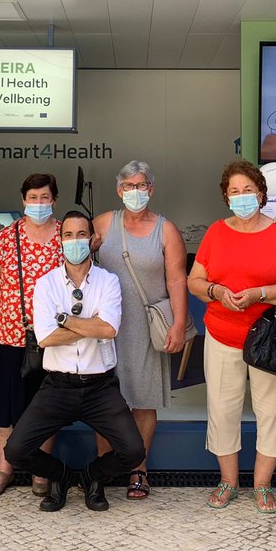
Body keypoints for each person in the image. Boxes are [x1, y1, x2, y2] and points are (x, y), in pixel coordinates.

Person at [3, 210, 145, 512]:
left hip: (100, 387)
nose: (74, 241)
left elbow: (109, 328)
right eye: (68, 235)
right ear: (60, 241)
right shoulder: (46, 284)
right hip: (57, 385)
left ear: (92, 239)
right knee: (15, 450)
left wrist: (64, 319)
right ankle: (62, 477)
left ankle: (93, 477)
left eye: (81, 234)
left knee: (133, 452)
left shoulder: (108, 281)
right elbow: (45, 337)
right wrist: (89, 325)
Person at [186, 159, 276, 514]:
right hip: (223, 335)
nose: (242, 197)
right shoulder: (216, 233)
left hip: (271, 338)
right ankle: (228, 481)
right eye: (234, 191)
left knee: (273, 410)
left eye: (248, 190)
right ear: (226, 197)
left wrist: (261, 294)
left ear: (262, 194)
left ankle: (263, 484)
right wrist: (215, 290)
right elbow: (194, 281)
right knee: (222, 410)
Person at [91, 160, 189, 499]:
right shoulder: (103, 224)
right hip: (107, 328)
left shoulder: (167, 230)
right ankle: (103, 466)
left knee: (144, 401)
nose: (136, 192)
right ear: (119, 190)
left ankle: (138, 469)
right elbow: (78, 263)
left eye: (141, 185)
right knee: (104, 400)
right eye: (129, 186)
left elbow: (177, 279)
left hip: (148, 327)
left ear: (151, 189)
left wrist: (178, 322)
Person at [0, 173, 63, 497]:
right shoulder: (7, 236)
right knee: (6, 406)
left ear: (54, 199)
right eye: (33, 197)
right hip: (10, 334)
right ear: (23, 200)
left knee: (45, 406)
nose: (38, 203)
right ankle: (4, 467)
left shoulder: (63, 236)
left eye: (44, 197)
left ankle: (40, 469)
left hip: (51, 337)